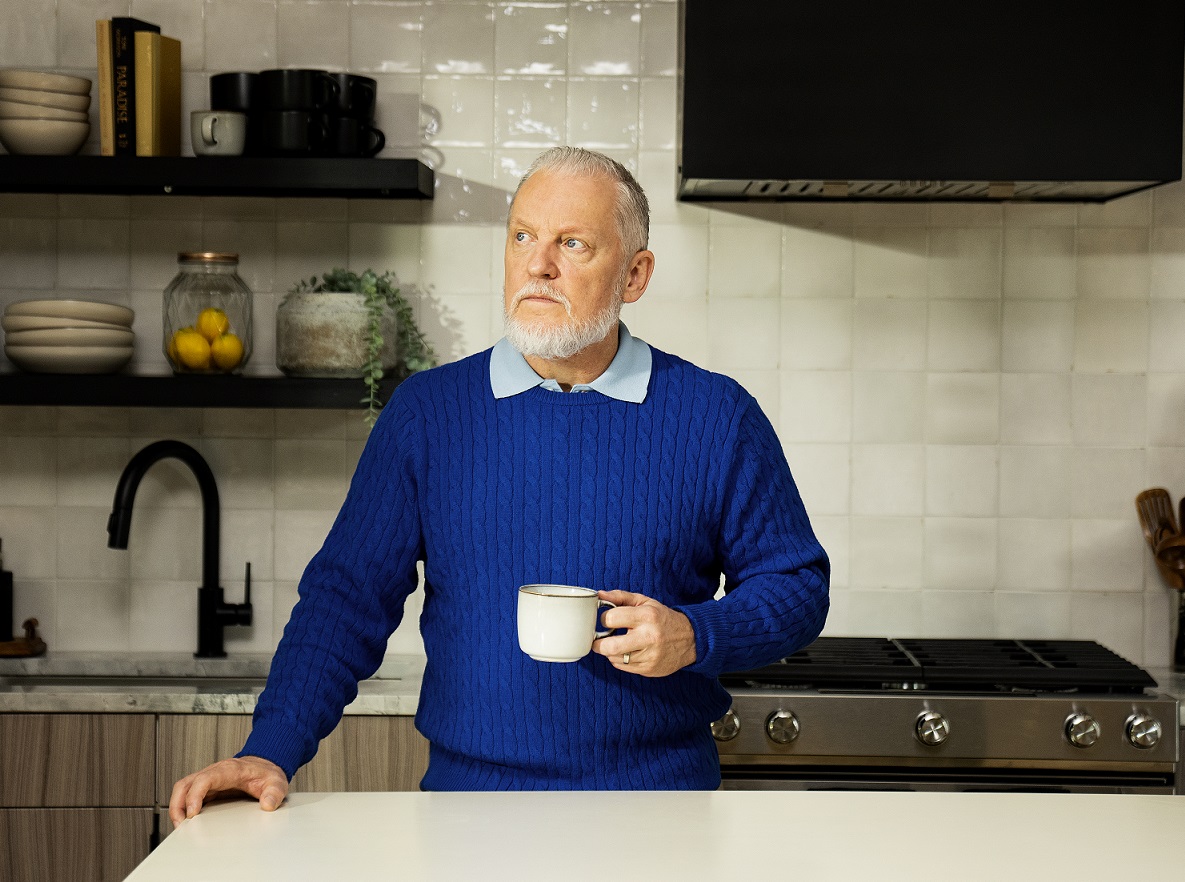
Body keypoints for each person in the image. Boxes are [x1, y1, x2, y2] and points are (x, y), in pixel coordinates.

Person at [169, 146, 829, 822]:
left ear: (634, 275)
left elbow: (797, 585)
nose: (538, 264)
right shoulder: (428, 414)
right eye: (522, 236)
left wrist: (696, 632)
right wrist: (270, 748)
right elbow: (346, 600)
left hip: (662, 811)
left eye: (571, 243)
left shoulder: (715, 416)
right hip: (468, 813)